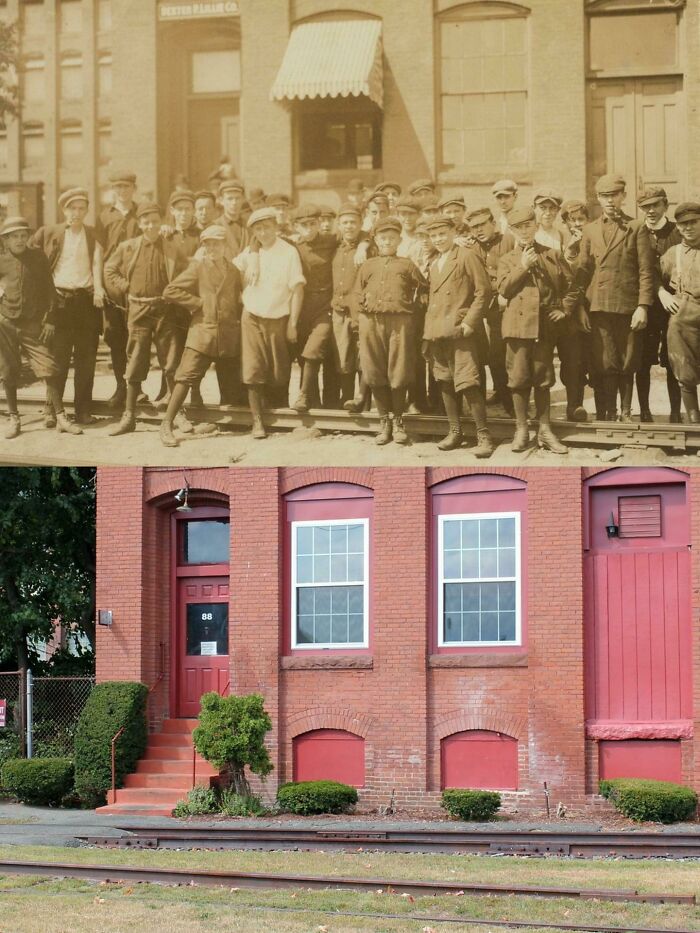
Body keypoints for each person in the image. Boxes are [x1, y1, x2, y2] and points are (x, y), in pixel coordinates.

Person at [572, 173, 654, 422]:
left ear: (623, 197)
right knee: (604, 360)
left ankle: (627, 411)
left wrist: (643, 306)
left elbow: (646, 270)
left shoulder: (636, 227)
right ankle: (608, 411)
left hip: (628, 305)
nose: (609, 200)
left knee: (628, 359)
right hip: (598, 305)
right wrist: (579, 308)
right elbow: (582, 272)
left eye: (614, 195)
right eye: (604, 196)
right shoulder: (589, 230)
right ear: (598, 199)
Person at [497, 207, 578, 454]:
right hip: (517, 328)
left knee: (543, 380)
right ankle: (521, 429)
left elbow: (572, 287)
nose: (524, 231)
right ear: (512, 231)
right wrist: (522, 266)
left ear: (535, 225)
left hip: (544, 328)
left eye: (527, 225)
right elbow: (503, 290)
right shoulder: (507, 260)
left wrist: (564, 309)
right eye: (518, 228)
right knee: (518, 378)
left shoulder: (552, 255)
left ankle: (545, 430)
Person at [104, 202, 188, 436]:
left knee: (171, 363)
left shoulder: (172, 248)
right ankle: (129, 416)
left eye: (154, 221)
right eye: (146, 222)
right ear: (140, 224)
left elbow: (186, 273)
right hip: (138, 310)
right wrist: (125, 286)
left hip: (165, 310)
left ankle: (177, 414)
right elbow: (109, 270)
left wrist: (175, 294)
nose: (150, 226)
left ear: (161, 222)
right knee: (135, 363)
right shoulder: (128, 247)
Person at [159, 225, 243, 447]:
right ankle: (167, 423)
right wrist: (197, 304)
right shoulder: (198, 267)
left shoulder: (234, 271)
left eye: (217, 243)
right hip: (203, 332)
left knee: (231, 381)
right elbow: (170, 291)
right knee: (185, 377)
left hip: (227, 335)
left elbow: (237, 299)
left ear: (225, 246)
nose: (213, 248)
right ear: (204, 247)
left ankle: (228, 422)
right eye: (208, 244)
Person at [0, 216, 82, 438]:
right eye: (14, 236)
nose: (19, 240)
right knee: (8, 371)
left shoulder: (37, 258)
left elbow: (49, 290)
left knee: (50, 367)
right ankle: (14, 417)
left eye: (22, 235)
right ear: (5, 240)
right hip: (6, 324)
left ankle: (61, 416)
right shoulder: (1, 260)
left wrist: (50, 320)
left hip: (33, 324)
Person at [31, 187, 105, 426]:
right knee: (57, 360)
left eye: (81, 208)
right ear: (64, 209)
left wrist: (99, 288)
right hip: (59, 304)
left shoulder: (92, 234)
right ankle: (51, 410)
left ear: (86, 211)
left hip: (85, 304)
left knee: (86, 361)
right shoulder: (50, 233)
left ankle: (83, 411)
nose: (77, 212)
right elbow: (30, 258)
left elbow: (97, 262)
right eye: (72, 208)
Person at [423, 215, 494, 456]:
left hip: (460, 331)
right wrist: (427, 333)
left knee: (468, 382)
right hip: (438, 332)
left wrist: (469, 323)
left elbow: (484, 292)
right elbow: (433, 301)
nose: (438, 239)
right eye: (433, 236)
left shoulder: (466, 255)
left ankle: (484, 436)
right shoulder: (434, 263)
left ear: (453, 232)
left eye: (442, 234)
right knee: (444, 381)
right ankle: (455, 431)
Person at [233, 207, 305, 439]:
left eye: (267, 227)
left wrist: (293, 323)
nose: (263, 233)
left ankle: (280, 416)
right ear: (253, 232)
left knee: (278, 367)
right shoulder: (249, 252)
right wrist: (251, 257)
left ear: (276, 227)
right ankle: (257, 422)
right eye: (258, 229)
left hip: (278, 318)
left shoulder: (289, 252)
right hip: (252, 316)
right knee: (253, 368)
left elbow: (298, 289)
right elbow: (229, 269)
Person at [353, 217, 425, 445]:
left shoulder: (407, 264)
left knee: (399, 371)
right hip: (371, 321)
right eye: (383, 238)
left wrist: (412, 314)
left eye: (392, 238)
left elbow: (423, 290)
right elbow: (356, 293)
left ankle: (398, 421)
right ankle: (384, 420)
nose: (387, 241)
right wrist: (359, 323)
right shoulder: (367, 265)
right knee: (374, 370)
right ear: (375, 240)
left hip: (399, 322)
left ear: (399, 240)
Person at [636, 186, 682, 423]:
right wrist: (657, 292)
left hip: (673, 306)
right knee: (643, 359)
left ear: (665, 205)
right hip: (646, 305)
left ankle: (676, 412)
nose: (650, 211)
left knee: (673, 359)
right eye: (645, 207)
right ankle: (644, 411)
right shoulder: (637, 231)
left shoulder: (677, 232)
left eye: (655, 205)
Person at [95, 169, 140, 410]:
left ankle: (137, 389)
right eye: (118, 187)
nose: (122, 191)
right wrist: (99, 286)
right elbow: (98, 254)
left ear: (134, 188)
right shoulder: (104, 217)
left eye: (126, 186)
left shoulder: (141, 213)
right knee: (115, 337)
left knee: (138, 337)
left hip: (136, 284)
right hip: (112, 285)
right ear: (113, 190)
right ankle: (121, 388)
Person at [465, 207, 515, 416]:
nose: (478, 231)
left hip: (505, 305)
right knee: (484, 355)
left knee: (503, 355)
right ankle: (491, 397)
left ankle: (510, 402)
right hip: (480, 306)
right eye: (474, 227)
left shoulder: (509, 241)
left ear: (493, 223)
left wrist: (508, 294)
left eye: (482, 225)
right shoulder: (470, 248)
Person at [290, 204, 337, 412]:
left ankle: (302, 394)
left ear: (319, 224)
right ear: (296, 227)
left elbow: (361, 235)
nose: (309, 228)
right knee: (303, 357)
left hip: (325, 306)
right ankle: (313, 404)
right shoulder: (293, 246)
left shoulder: (331, 241)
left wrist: (362, 246)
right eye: (304, 225)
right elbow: (259, 239)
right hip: (302, 306)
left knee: (313, 350)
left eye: (312, 224)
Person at [658, 202, 700, 422]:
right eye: (683, 224)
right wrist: (661, 293)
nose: (688, 228)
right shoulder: (672, 254)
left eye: (693, 222)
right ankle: (695, 422)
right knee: (685, 373)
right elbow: (653, 276)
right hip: (682, 319)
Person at [331, 203, 367, 411]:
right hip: (339, 309)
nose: (349, 226)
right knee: (343, 355)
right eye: (345, 222)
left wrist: (363, 244)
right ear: (339, 225)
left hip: (361, 309)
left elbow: (368, 235)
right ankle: (346, 399)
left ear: (360, 224)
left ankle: (363, 400)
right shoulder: (333, 246)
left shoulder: (367, 247)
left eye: (353, 222)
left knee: (363, 354)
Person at [215, 179, 249, 258]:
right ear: (221, 201)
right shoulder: (215, 226)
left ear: (243, 200)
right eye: (230, 199)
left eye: (237, 198)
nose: (234, 203)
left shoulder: (249, 225)